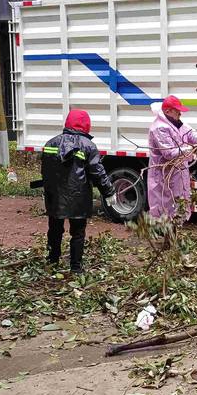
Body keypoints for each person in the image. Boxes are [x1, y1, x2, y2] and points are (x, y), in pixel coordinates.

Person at [42, 109, 117, 272]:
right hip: (78, 197)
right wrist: (109, 192)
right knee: (78, 232)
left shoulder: (50, 143)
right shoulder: (88, 146)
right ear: (86, 126)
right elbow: (97, 172)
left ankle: (52, 261)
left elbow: (45, 171)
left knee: (54, 229)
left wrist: (49, 191)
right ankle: (75, 267)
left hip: (54, 196)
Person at [147, 96, 197, 222]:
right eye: (177, 111)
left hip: (178, 172)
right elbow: (169, 153)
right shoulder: (159, 128)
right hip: (164, 175)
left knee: (179, 203)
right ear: (168, 111)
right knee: (164, 206)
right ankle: (164, 233)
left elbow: (190, 132)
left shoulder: (175, 122)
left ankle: (174, 229)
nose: (180, 113)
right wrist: (192, 148)